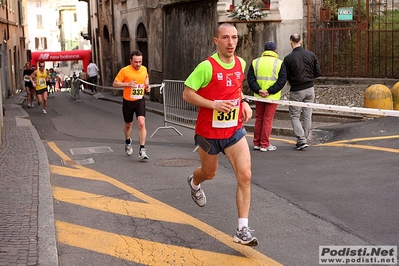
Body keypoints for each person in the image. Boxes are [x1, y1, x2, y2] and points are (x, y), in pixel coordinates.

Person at [182, 23, 258, 246]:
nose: (231, 42)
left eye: (234, 38)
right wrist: (213, 104)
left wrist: (243, 101)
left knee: (245, 175)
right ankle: (194, 182)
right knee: (209, 173)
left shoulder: (241, 63)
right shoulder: (206, 67)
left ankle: (242, 230)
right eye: (225, 38)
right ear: (216, 41)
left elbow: (235, 87)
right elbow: (187, 93)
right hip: (208, 132)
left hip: (234, 130)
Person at [283, 33, 321, 150]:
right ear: (301, 41)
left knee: (294, 116)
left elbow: (285, 76)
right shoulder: (311, 55)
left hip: (296, 90)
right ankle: (304, 138)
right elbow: (318, 72)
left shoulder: (288, 58)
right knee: (307, 115)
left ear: (291, 41)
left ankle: (301, 139)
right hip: (310, 89)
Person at [247, 41, 287, 152]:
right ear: (275, 51)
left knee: (259, 119)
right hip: (272, 96)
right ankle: (264, 144)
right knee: (267, 120)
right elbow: (281, 81)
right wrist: (269, 91)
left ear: (264, 50)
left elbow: (250, 79)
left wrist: (259, 90)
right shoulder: (279, 63)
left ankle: (257, 142)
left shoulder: (256, 62)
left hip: (258, 96)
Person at [112, 50, 150, 160]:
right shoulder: (125, 71)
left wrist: (147, 85)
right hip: (128, 101)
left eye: (140, 62)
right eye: (135, 62)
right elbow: (115, 83)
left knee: (141, 123)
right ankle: (128, 141)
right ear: (130, 61)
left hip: (139, 100)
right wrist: (127, 84)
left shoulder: (144, 69)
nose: (138, 64)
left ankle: (142, 150)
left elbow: (146, 77)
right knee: (128, 124)